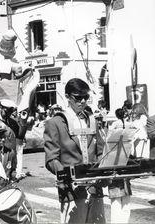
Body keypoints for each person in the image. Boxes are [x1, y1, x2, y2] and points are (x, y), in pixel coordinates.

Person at [44, 78, 105, 223]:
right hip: (72, 190)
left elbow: (101, 151)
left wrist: (104, 171)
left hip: (94, 188)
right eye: (78, 97)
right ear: (67, 97)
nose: (83, 101)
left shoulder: (92, 120)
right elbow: (51, 159)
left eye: (86, 97)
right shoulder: (55, 123)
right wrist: (66, 176)